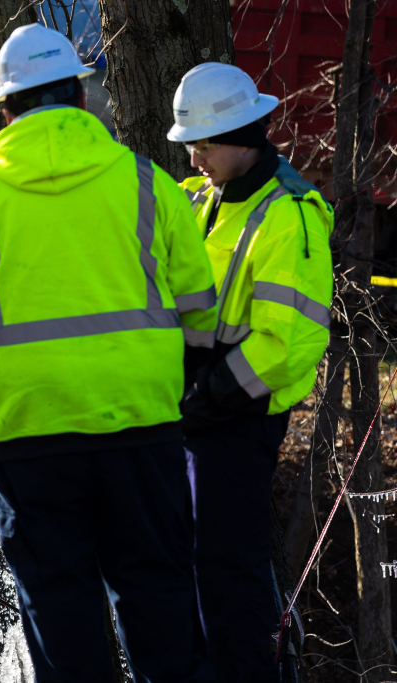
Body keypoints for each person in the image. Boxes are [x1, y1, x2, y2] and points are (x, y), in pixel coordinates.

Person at [0, 23, 217, 683]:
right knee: (159, 594)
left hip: (28, 441)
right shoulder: (146, 186)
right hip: (143, 428)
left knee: (60, 607)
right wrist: (165, 387)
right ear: (80, 95)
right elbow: (203, 317)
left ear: (5, 109)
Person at [168, 62, 334, 681]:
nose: (192, 157)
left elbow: (283, 346)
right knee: (190, 564)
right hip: (196, 409)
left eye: (202, 145)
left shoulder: (288, 216)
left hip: (235, 420)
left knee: (225, 572)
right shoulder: (208, 200)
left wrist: (205, 399)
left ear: (241, 136)